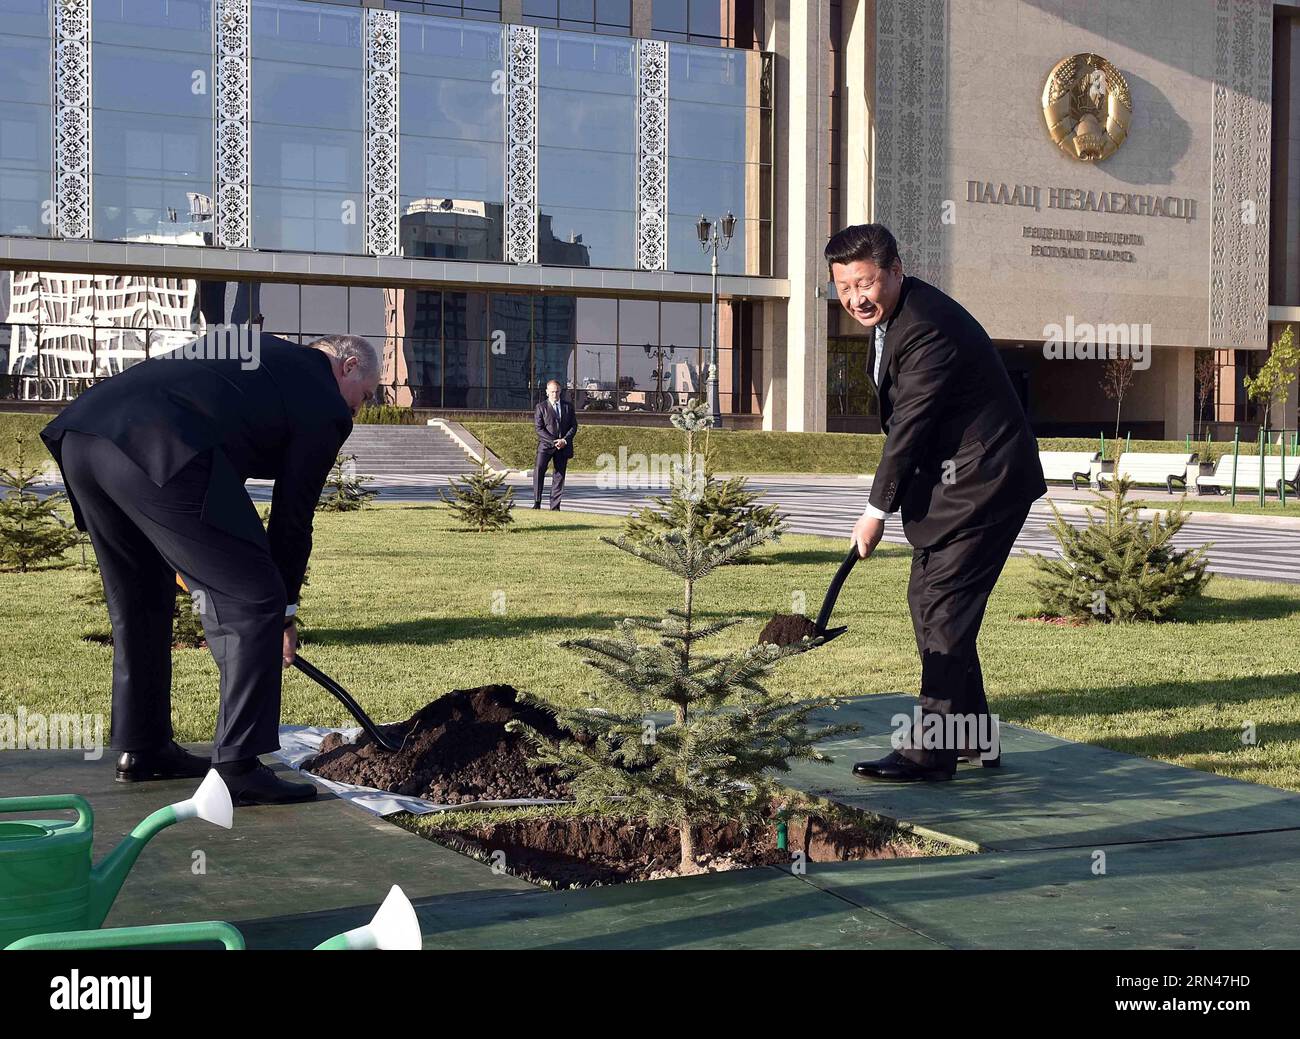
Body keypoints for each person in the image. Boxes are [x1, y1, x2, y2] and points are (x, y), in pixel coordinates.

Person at [41, 333, 381, 805]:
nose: (360, 409)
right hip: (161, 443)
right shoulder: (325, 400)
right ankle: (238, 769)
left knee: (141, 598)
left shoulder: (263, 354)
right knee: (254, 598)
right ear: (348, 365)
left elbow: (218, 421)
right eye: (366, 395)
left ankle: (144, 748)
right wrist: (283, 611)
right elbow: (293, 515)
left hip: (84, 437)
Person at [829, 223, 1047, 782]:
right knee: (929, 602)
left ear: (896, 271)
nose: (856, 298)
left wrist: (875, 511)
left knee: (944, 610)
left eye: (865, 283)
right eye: (844, 287)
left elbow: (910, 425)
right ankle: (972, 737)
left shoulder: (928, 327)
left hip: (988, 482)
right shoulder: (897, 319)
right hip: (957, 484)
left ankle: (932, 751)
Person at [533, 378, 577, 510]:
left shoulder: (568, 406)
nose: (555, 394)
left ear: (560, 391)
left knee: (559, 475)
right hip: (546, 446)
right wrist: (553, 441)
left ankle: (555, 506)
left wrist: (564, 440)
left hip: (563, 446)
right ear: (547, 392)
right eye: (552, 392)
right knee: (539, 471)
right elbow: (539, 428)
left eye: (557, 392)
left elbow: (573, 426)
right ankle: (537, 502)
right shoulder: (541, 407)